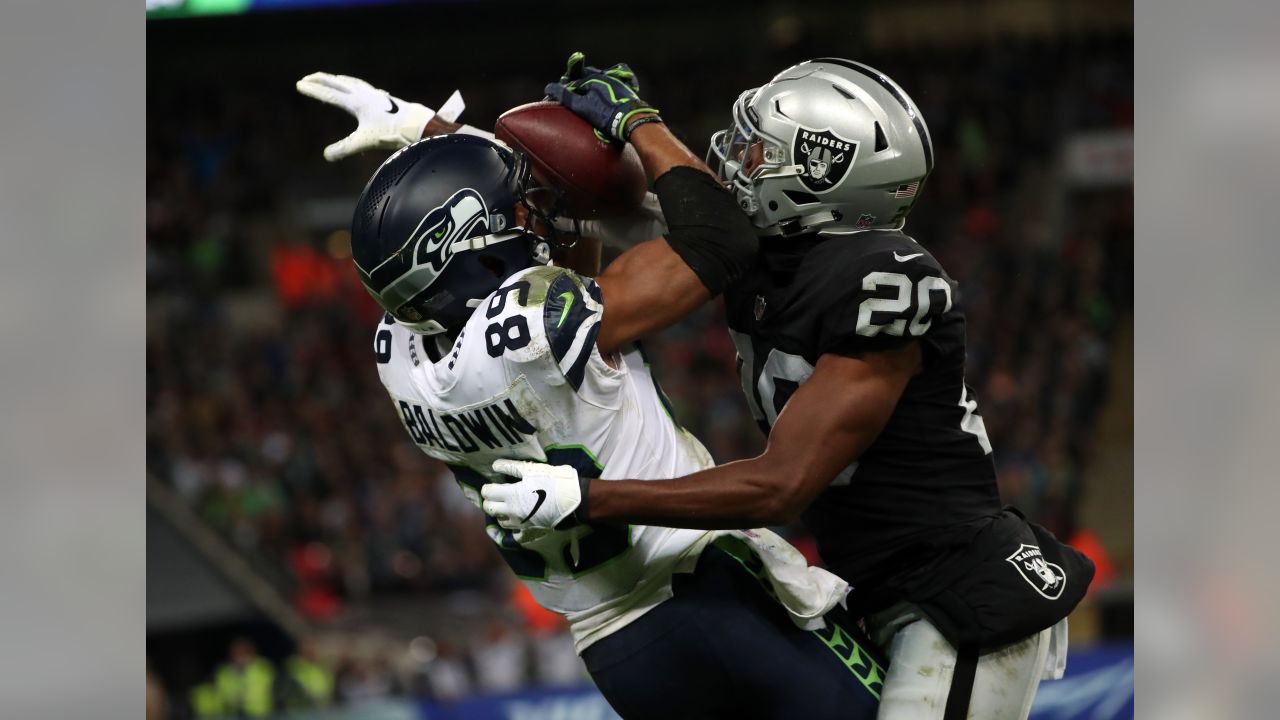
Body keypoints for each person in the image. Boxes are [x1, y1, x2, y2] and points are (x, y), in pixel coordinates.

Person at [475, 58, 1097, 720]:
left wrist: (591, 499)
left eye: (755, 149)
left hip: (957, 589)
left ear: (820, 173)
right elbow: (603, 200)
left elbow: (781, 486)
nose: (731, 158)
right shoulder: (772, 252)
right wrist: (430, 134)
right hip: (868, 588)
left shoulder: (884, 276)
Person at [320, 70, 886, 717]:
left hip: (618, 650)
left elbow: (494, 231)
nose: (532, 218)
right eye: (515, 216)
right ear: (472, 252)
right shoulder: (535, 325)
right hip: (709, 598)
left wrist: (433, 135)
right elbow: (720, 239)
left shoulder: (399, 352)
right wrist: (638, 119)